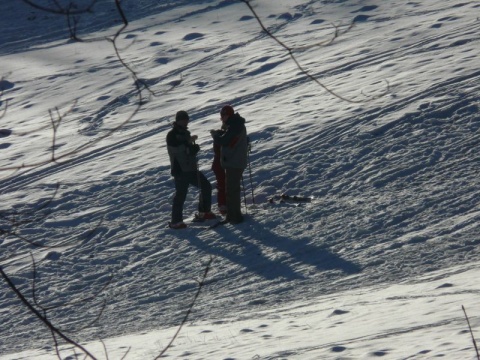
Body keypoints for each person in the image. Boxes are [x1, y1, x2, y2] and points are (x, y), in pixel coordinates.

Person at [167, 110, 216, 229]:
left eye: (186, 119)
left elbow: (186, 150)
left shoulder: (185, 133)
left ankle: (204, 211)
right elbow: (175, 149)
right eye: (183, 119)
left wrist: (192, 149)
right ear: (178, 121)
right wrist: (188, 145)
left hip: (191, 168)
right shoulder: (172, 134)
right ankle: (176, 221)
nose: (185, 122)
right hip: (180, 170)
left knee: (206, 186)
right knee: (181, 195)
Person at [210, 105, 248, 224]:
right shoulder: (235, 124)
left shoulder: (235, 125)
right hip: (235, 161)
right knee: (232, 189)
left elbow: (224, 141)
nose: (222, 119)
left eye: (223, 116)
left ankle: (235, 217)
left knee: (232, 190)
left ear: (228, 115)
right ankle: (233, 215)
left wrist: (216, 135)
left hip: (234, 162)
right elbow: (229, 138)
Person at [211, 121, 227, 215]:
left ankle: (224, 204)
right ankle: (222, 205)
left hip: (219, 164)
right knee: (222, 184)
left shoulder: (219, 137)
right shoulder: (221, 137)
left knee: (223, 183)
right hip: (220, 165)